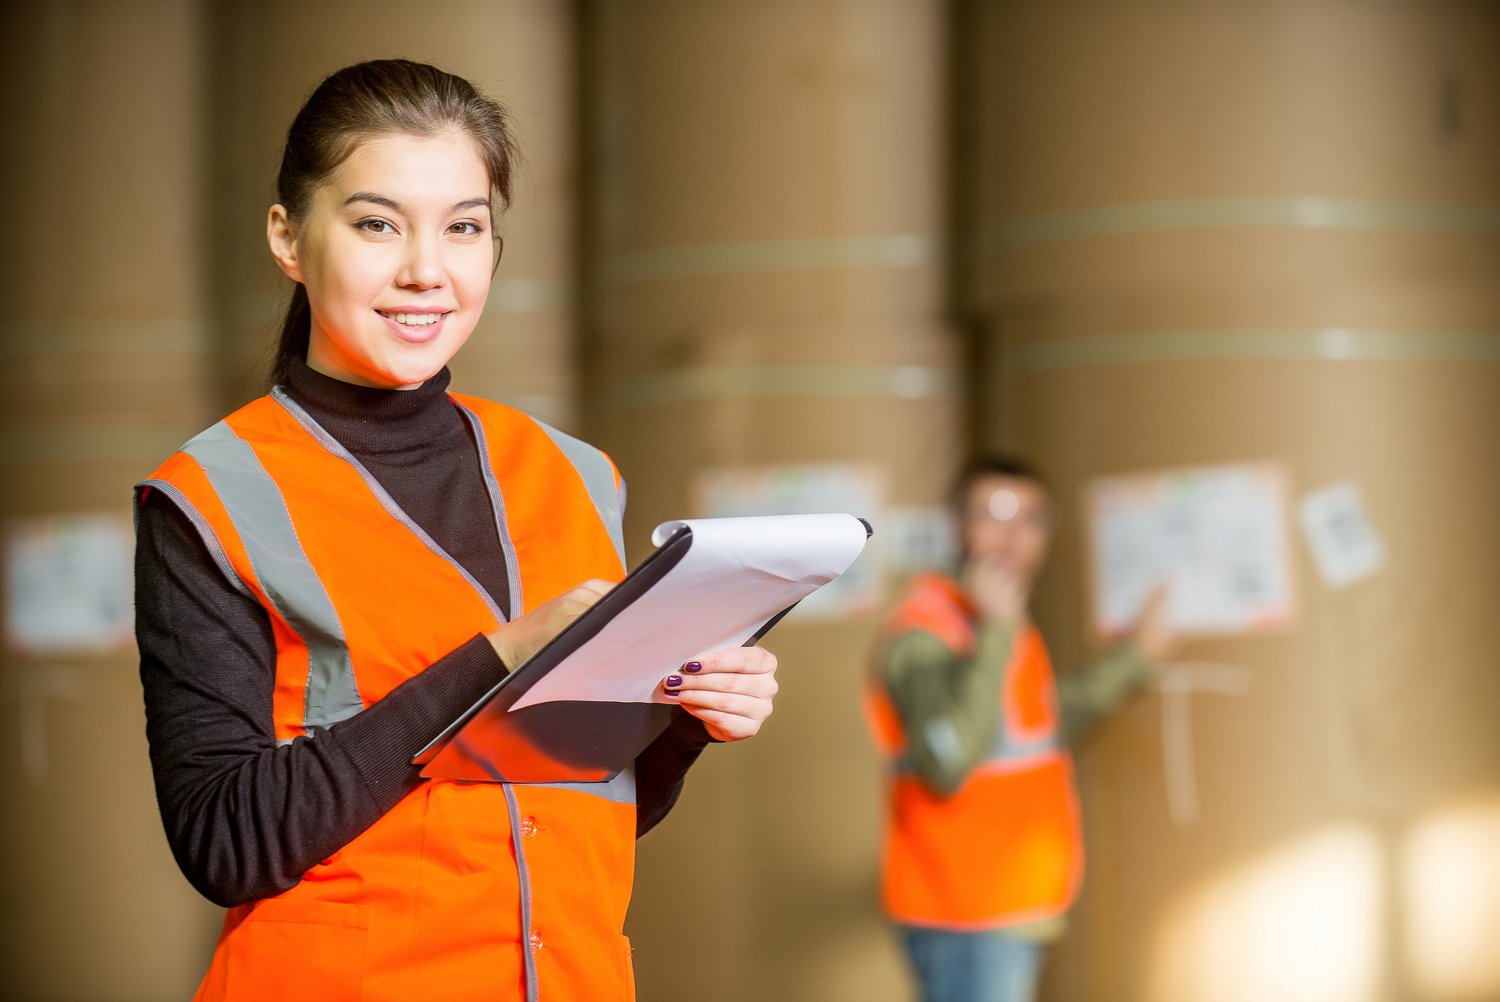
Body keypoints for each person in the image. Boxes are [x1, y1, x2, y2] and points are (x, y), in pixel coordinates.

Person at [134, 59, 778, 1002]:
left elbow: (561, 812)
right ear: (288, 237)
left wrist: (684, 721)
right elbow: (227, 840)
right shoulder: (213, 496)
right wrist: (499, 656)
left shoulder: (573, 473)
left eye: (464, 227)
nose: (425, 270)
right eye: (375, 223)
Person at [864, 455, 1176, 1002]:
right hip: (963, 916)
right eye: (993, 514)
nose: (1012, 535)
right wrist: (995, 633)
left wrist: (1134, 660)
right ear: (958, 527)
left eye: (1029, 518)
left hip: (1012, 907)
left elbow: (1043, 726)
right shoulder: (929, 631)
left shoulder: (1001, 622)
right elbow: (948, 763)